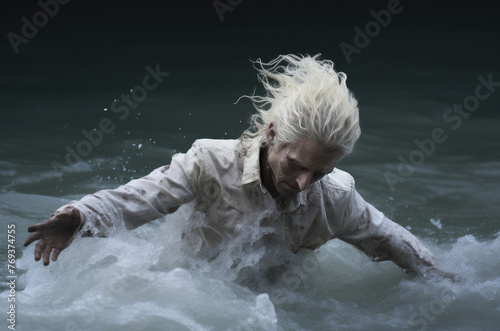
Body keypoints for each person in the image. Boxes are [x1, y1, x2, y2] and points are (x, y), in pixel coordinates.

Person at [23, 54, 448, 279]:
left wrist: (453, 292)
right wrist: (79, 216)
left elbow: (398, 245)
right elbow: (135, 201)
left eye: (319, 172)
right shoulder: (209, 163)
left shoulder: (334, 197)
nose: (304, 184)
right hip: (182, 297)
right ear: (271, 134)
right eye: (297, 165)